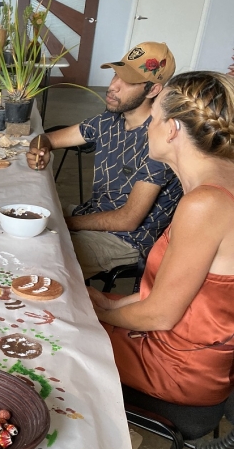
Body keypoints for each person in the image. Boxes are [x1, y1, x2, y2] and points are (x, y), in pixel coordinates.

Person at [90, 71, 234, 406]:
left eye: (153, 118)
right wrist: (106, 301)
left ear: (172, 130)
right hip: (179, 344)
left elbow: (159, 315)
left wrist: (96, 316)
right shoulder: (217, 185)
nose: (147, 127)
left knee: (51, 334)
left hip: (176, 366)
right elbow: (179, 296)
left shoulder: (205, 204)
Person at [27, 42, 183, 279]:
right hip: (92, 214)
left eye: (128, 82)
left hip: (125, 241)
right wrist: (39, 152)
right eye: (115, 75)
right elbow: (46, 138)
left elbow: (128, 220)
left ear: (153, 90)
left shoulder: (161, 141)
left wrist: (64, 223)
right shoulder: (109, 121)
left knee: (38, 258)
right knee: (21, 214)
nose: (113, 87)